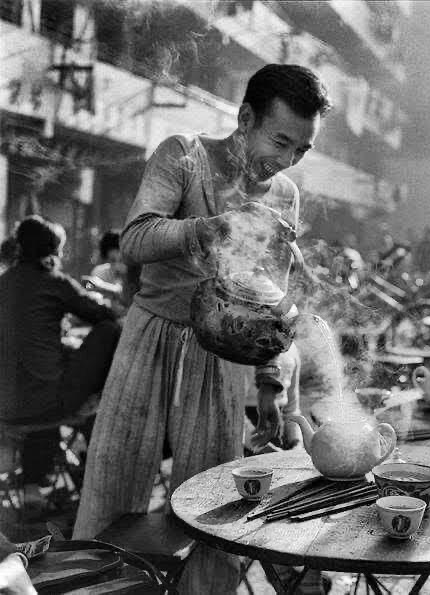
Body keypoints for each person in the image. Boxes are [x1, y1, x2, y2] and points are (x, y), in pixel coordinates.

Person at [73, 64, 332, 593]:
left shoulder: (284, 194)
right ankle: (92, 583)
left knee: (214, 498)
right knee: (114, 478)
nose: (286, 161)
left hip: (220, 354)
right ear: (244, 118)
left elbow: (271, 302)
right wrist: (215, 227)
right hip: (151, 334)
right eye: (280, 142)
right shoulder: (182, 154)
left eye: (300, 151)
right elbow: (137, 240)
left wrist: (270, 382)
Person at [0, 216, 120, 488]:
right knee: (109, 331)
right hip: (48, 404)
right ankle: (96, 405)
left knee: (42, 375)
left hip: (6, 406)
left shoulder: (3, 283)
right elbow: (104, 315)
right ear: (53, 251)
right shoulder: (54, 281)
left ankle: (35, 483)